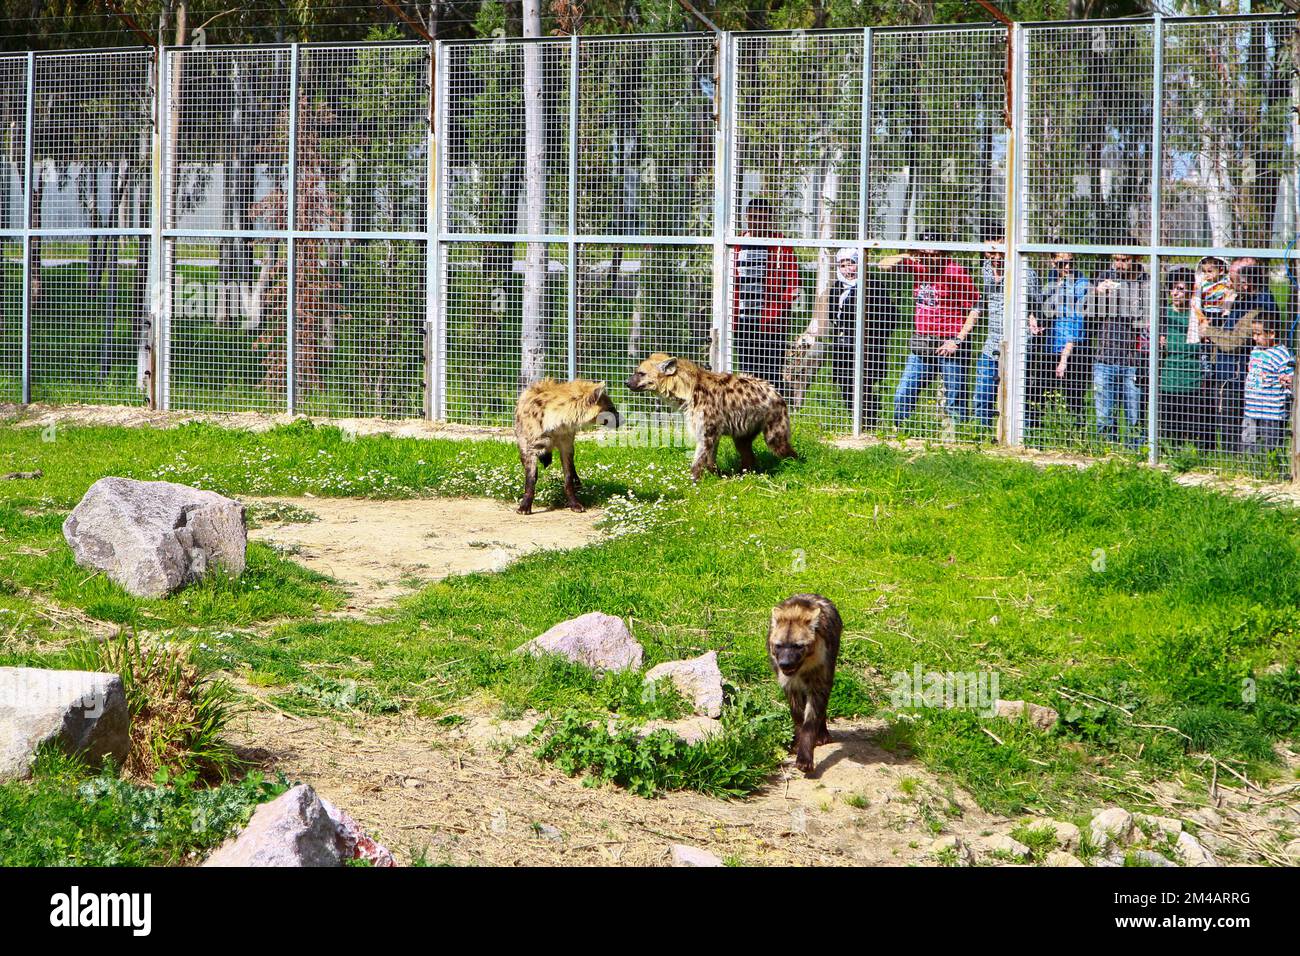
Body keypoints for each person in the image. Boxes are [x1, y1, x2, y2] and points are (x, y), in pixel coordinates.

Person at [879, 236, 978, 430]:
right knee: (903, 392)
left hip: (949, 343)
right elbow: (883, 265)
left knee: (954, 399)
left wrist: (957, 340)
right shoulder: (918, 266)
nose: (930, 259)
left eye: (935, 254)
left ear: (943, 253)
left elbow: (975, 308)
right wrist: (909, 254)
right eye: (925, 254)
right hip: (923, 343)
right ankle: (902, 432)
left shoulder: (955, 271)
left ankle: (959, 440)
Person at [1198, 258, 1281, 456]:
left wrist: (1209, 330)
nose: (1228, 282)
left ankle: (1238, 464)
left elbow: (1234, 341)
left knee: (1236, 428)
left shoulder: (1261, 306)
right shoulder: (1242, 298)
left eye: (1232, 279)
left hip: (1241, 377)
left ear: (1246, 283)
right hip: (1229, 373)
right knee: (1225, 425)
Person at [954, 240, 1040, 429]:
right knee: (982, 397)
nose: (996, 257)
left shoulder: (1025, 272)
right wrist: (961, 336)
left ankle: (1021, 440)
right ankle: (981, 438)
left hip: (1019, 344)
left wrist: (1033, 321)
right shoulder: (984, 270)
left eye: (1000, 250)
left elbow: (1036, 306)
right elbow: (977, 305)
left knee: (1018, 401)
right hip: (992, 343)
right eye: (991, 252)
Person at [731, 198, 799, 393]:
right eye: (753, 217)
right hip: (743, 320)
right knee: (747, 372)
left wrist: (779, 308)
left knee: (771, 373)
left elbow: (793, 284)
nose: (758, 221)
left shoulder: (780, 244)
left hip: (771, 322)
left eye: (762, 217)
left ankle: (775, 412)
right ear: (746, 217)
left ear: (770, 219)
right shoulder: (737, 244)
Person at [827, 247, 899, 430]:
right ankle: (855, 423)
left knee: (865, 386)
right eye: (842, 265)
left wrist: (874, 337)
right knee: (846, 385)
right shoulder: (837, 287)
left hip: (868, 347)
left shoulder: (872, 284)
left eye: (851, 264)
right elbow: (832, 315)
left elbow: (891, 316)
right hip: (844, 347)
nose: (847, 269)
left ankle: (869, 424)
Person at [1087, 252, 1150, 449]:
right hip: (1105, 356)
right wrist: (1096, 293)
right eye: (1116, 260)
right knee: (1104, 413)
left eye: (1124, 260)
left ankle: (1136, 454)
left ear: (1137, 259)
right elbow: (1087, 313)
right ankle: (1107, 452)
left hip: (1134, 360)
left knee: (1135, 414)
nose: (1119, 264)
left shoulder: (1147, 282)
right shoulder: (1105, 277)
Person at [1033, 251, 1090, 434]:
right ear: (1052, 262)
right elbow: (1043, 308)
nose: (1067, 267)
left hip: (1072, 350)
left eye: (1070, 262)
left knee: (1073, 400)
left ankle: (1075, 439)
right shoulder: (1051, 280)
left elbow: (1077, 323)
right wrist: (1035, 320)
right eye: (1061, 263)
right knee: (1039, 395)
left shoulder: (1081, 284)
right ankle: (1039, 436)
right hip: (1050, 346)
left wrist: (1064, 358)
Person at [1157, 266, 1205, 449]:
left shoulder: (1196, 315)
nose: (1175, 293)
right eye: (1173, 288)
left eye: (1181, 289)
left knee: (1192, 428)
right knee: (1170, 430)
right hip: (1168, 380)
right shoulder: (1163, 315)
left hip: (1192, 380)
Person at [1241, 313, 1293, 467]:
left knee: (1271, 447)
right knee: (1248, 444)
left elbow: (1289, 379)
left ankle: (1271, 470)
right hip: (1251, 409)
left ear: (1271, 333)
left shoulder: (1281, 354)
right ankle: (1249, 469)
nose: (1255, 338)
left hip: (1271, 412)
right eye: (1253, 334)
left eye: (1258, 334)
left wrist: (1287, 382)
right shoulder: (1255, 351)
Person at [1189, 255, 1229, 347]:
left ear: (1221, 270)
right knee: (1206, 337)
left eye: (1210, 271)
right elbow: (1196, 301)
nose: (1206, 274)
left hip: (1221, 315)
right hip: (1206, 314)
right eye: (1204, 271)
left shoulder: (1226, 282)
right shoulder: (1202, 284)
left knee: (1219, 337)